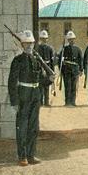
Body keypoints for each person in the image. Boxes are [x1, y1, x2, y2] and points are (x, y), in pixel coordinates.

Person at [8, 29, 54, 166]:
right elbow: (12, 82)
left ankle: (31, 155)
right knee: (22, 126)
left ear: (34, 44)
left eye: (31, 43)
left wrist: (50, 79)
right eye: (26, 43)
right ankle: (22, 156)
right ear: (22, 45)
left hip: (35, 95)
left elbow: (40, 80)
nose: (29, 46)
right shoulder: (18, 60)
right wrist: (14, 101)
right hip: (23, 94)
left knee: (34, 127)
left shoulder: (36, 60)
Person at [59, 31, 83, 106]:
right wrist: (61, 69)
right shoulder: (64, 49)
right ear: (68, 40)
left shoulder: (78, 49)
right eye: (69, 39)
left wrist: (81, 69)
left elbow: (80, 60)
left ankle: (73, 102)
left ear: (74, 40)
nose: (71, 41)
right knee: (67, 86)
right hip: (66, 70)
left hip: (75, 69)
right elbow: (60, 60)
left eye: (72, 39)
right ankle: (67, 102)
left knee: (74, 86)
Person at [36, 29, 55, 106]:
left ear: (47, 39)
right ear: (40, 39)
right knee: (40, 86)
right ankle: (40, 102)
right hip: (40, 68)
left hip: (48, 68)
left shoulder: (50, 48)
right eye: (42, 39)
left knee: (47, 86)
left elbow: (51, 61)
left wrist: (52, 71)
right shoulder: (37, 48)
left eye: (45, 39)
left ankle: (46, 102)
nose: (44, 40)